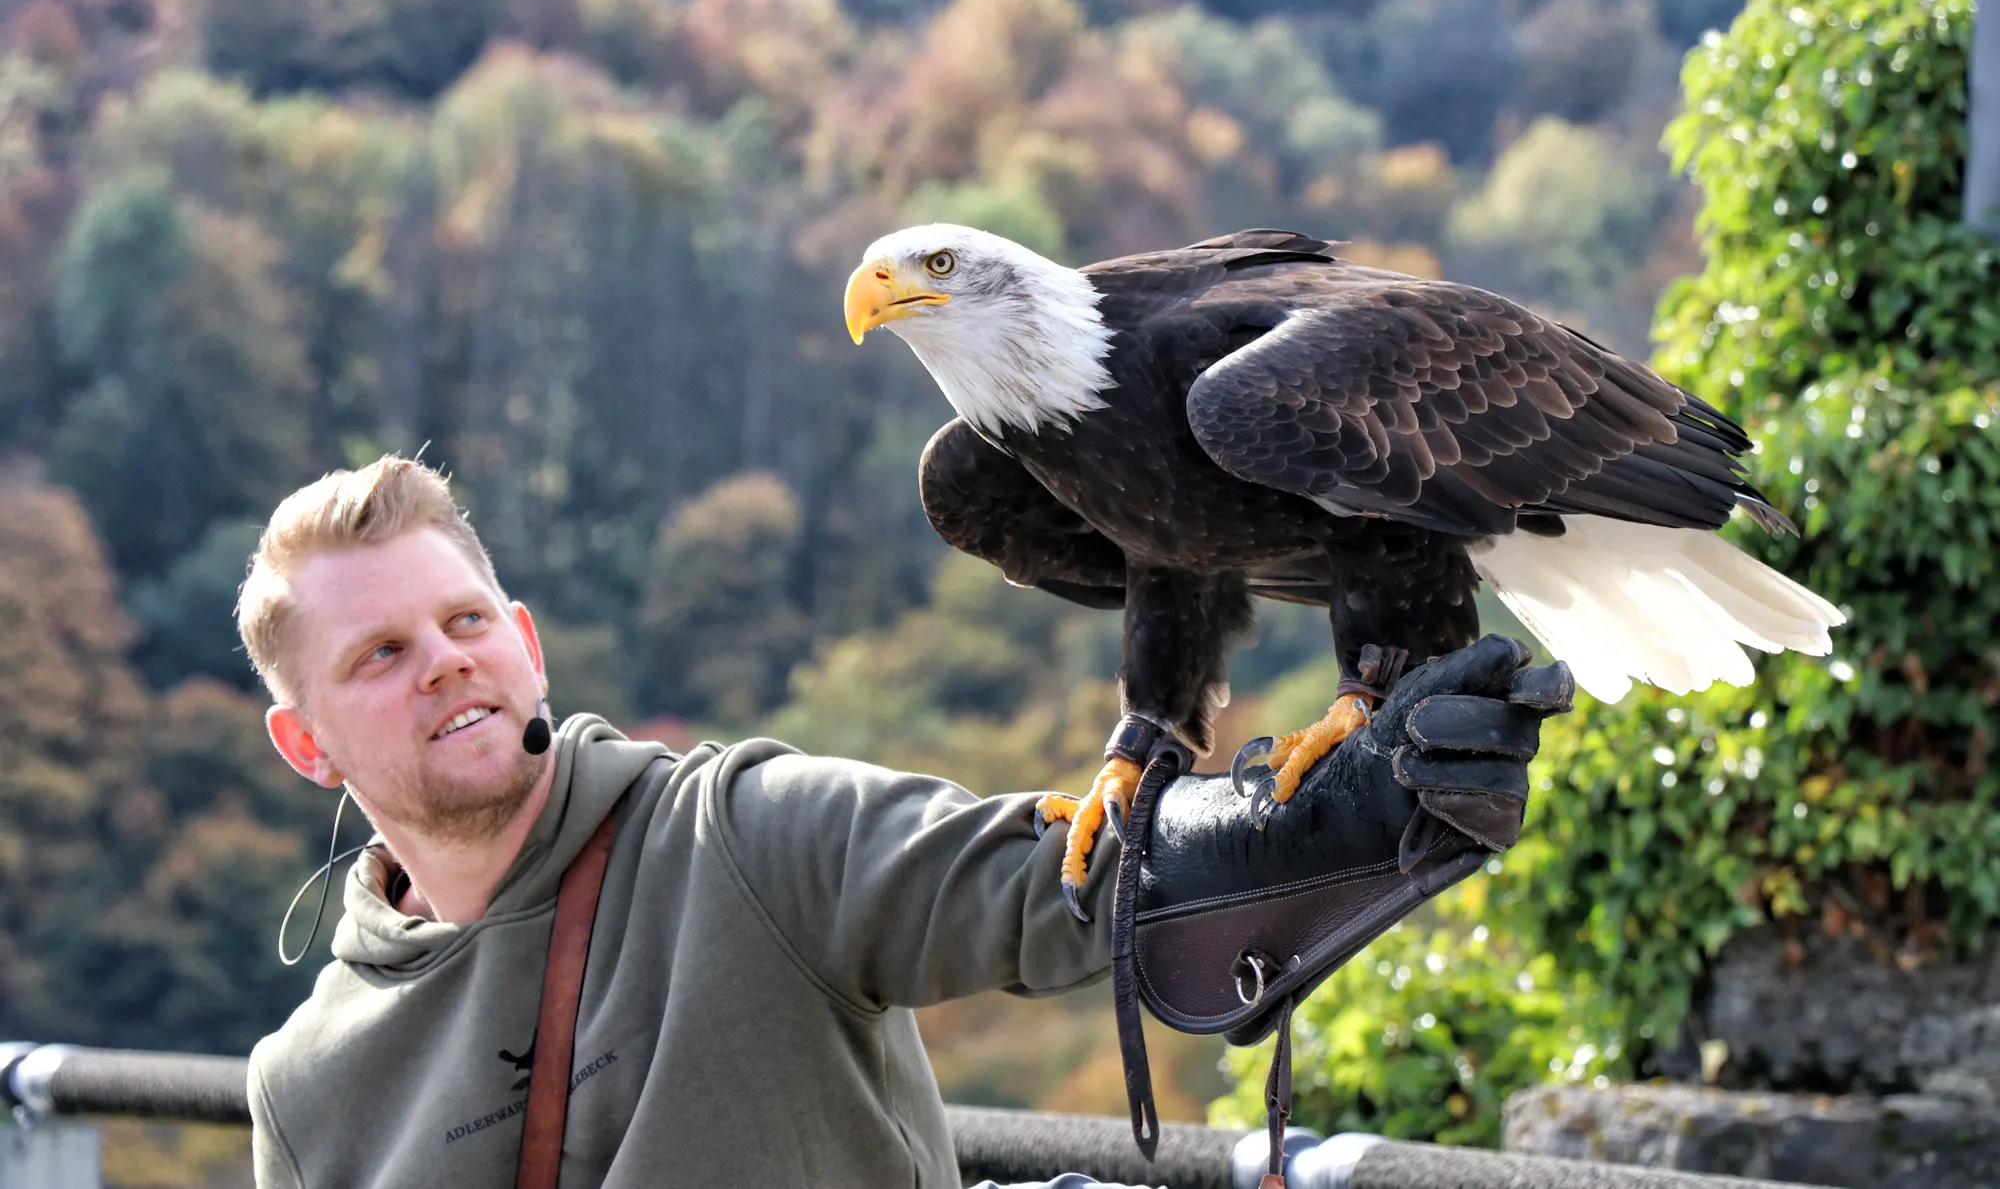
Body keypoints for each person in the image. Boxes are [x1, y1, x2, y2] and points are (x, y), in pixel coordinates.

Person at [239, 455, 1567, 1188]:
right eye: (381, 654)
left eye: (467, 622)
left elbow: (1063, 876)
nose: (447, 662)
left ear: (524, 643)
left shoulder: (738, 838)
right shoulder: (307, 1092)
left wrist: (1343, 808)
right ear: (306, 744)